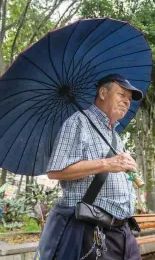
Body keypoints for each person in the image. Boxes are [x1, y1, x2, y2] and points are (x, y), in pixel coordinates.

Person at [35, 74, 143, 260]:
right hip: (89, 228)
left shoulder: (115, 136)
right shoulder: (78, 122)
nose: (126, 102)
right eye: (121, 94)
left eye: (129, 99)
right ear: (103, 93)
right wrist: (107, 163)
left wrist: (128, 171)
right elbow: (56, 171)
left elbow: (113, 170)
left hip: (122, 230)